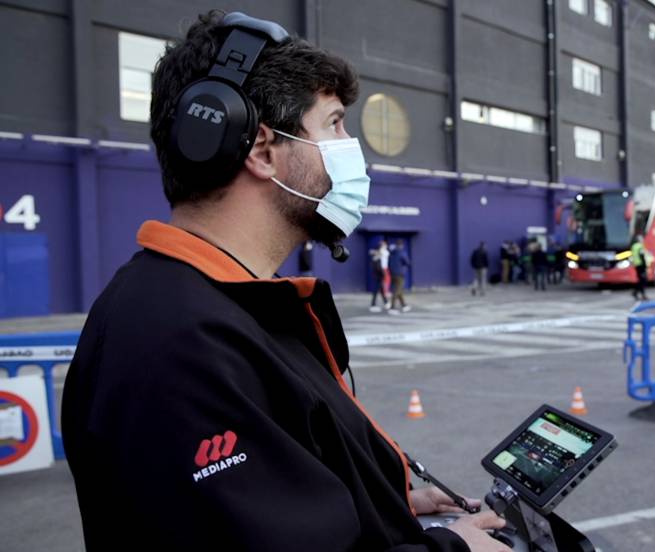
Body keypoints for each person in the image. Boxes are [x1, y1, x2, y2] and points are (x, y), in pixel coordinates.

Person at [60, 11, 505, 552]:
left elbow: (261, 504)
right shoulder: (179, 345)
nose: (351, 146)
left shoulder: (231, 307)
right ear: (262, 151)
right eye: (335, 123)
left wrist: (377, 498)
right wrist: (454, 550)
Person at [389, 239, 411, 313]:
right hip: (400, 274)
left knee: (399, 289)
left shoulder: (392, 252)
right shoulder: (402, 252)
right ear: (401, 245)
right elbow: (407, 262)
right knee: (397, 290)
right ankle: (392, 307)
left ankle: (404, 305)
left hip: (392, 274)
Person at [369, 243, 390, 313]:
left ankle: (386, 302)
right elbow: (371, 252)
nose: (384, 247)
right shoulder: (377, 256)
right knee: (377, 289)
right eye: (383, 246)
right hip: (379, 274)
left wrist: (377, 252)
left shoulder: (384, 253)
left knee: (381, 289)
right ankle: (373, 304)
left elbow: (382, 253)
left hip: (380, 273)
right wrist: (377, 252)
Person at [630, 234, 649, 301]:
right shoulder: (640, 246)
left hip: (637, 265)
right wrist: (645, 266)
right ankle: (639, 293)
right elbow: (642, 256)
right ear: (640, 240)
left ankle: (637, 293)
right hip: (641, 265)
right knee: (643, 280)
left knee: (640, 279)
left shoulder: (634, 246)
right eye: (642, 239)